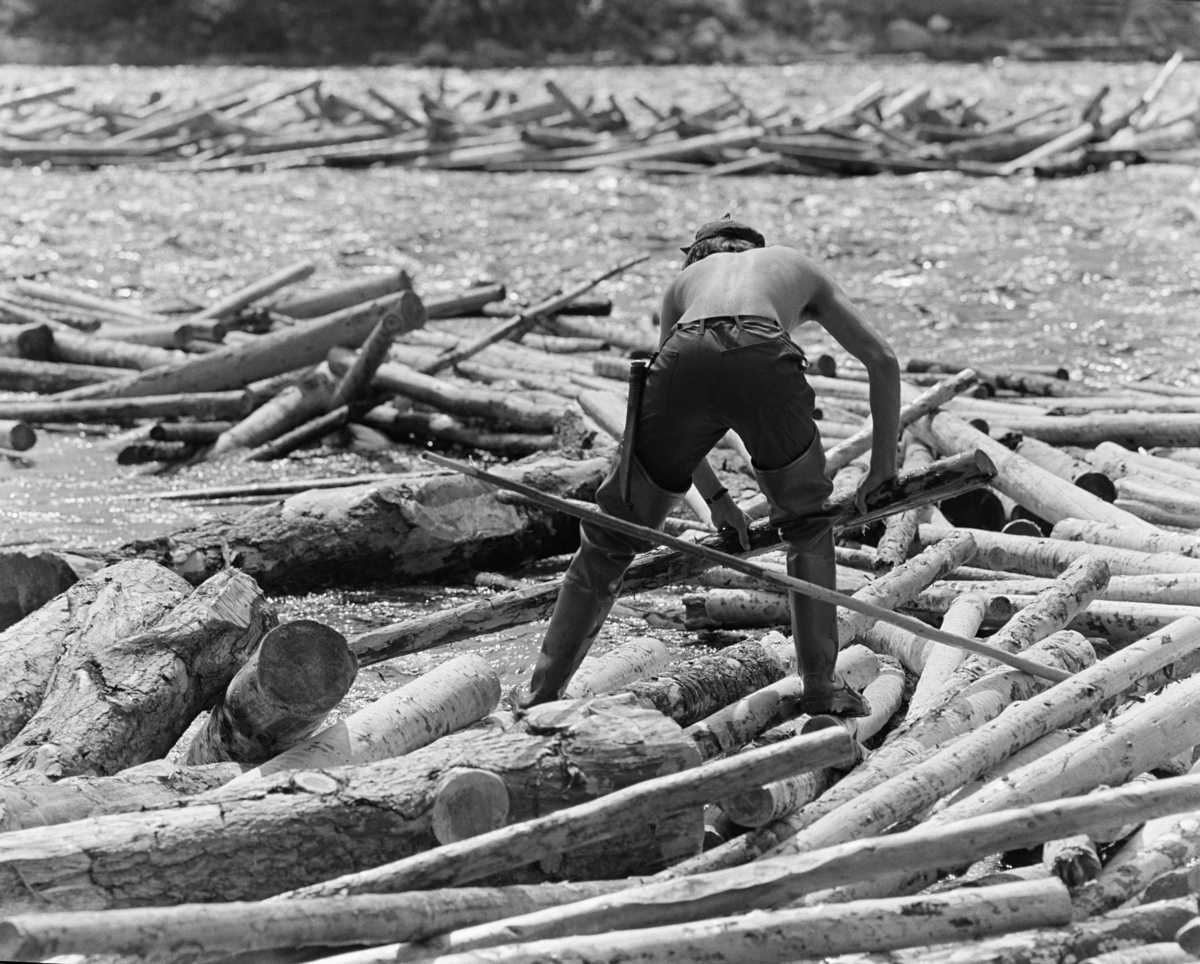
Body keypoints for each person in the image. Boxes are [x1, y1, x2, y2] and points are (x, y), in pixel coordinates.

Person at [516, 217, 901, 715]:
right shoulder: (792, 264)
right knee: (805, 524)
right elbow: (883, 360)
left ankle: (541, 694)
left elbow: (679, 387)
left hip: (684, 353)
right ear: (754, 249)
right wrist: (883, 467)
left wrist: (718, 501)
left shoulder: (682, 286)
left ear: (697, 255)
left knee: (612, 537)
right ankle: (820, 686)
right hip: (763, 352)